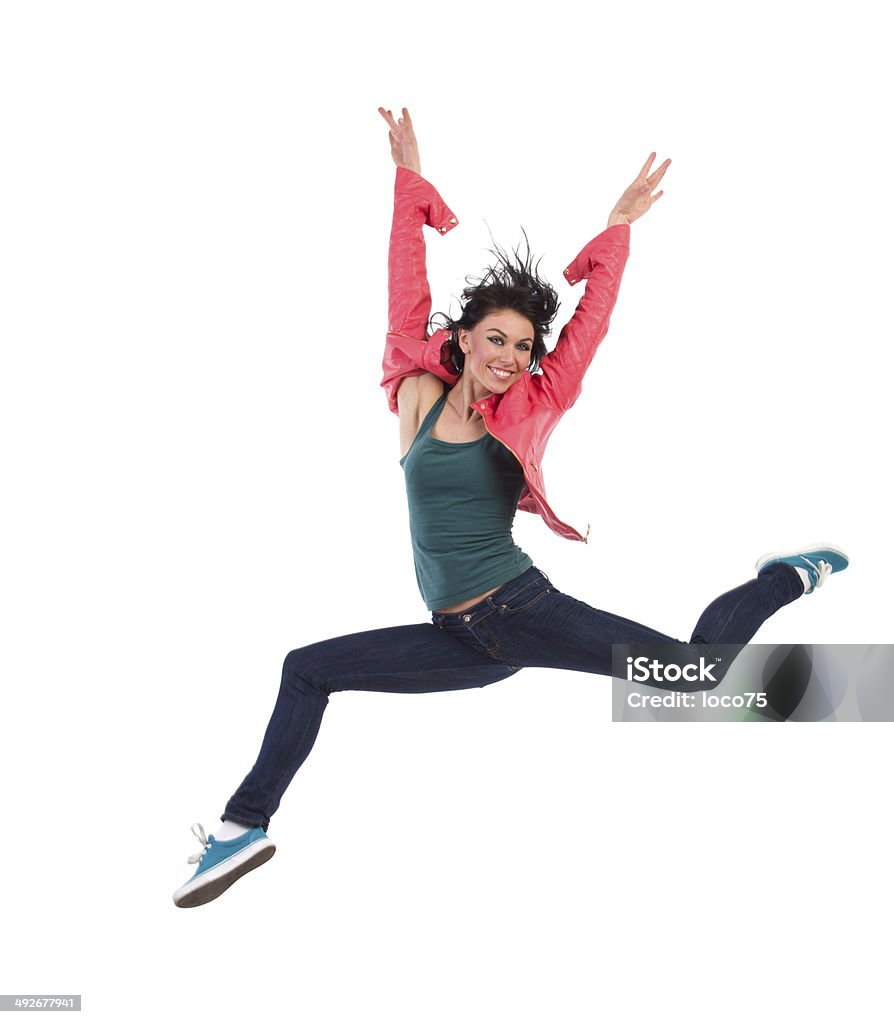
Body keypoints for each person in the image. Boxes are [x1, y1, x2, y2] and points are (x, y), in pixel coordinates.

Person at [172, 106, 849, 908]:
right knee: (306, 669)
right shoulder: (417, 396)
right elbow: (405, 291)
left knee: (700, 680)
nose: (512, 358)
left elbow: (588, 330)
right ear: (462, 340)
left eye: (525, 347)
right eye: (497, 341)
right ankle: (243, 827)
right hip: (460, 641)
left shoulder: (531, 404)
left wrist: (616, 231)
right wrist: (410, 180)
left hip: (523, 610)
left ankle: (780, 580)